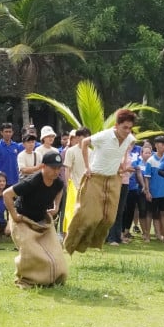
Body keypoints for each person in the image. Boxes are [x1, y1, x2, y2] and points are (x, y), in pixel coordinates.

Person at [63, 109, 137, 255]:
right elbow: (84, 142)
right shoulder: (105, 135)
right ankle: (70, 244)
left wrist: (122, 165)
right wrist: (87, 167)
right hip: (95, 178)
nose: (127, 131)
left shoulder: (129, 138)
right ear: (116, 125)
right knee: (90, 216)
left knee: (109, 218)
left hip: (113, 179)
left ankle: (91, 243)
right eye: (124, 127)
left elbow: (124, 151)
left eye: (130, 128)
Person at [3, 151, 67, 288]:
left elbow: (60, 189)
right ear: (43, 166)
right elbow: (7, 194)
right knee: (31, 251)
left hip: (41, 219)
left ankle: (53, 278)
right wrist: (14, 215)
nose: (56, 171)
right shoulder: (32, 181)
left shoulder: (58, 183)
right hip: (22, 219)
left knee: (55, 251)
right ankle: (26, 280)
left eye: (58, 168)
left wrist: (56, 208)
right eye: (53, 168)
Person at [0, 123, 22, 187]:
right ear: (1, 132)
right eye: (6, 132)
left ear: (12, 132)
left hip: (14, 179)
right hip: (1, 181)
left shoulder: (16, 146)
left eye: (10, 132)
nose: (8, 134)